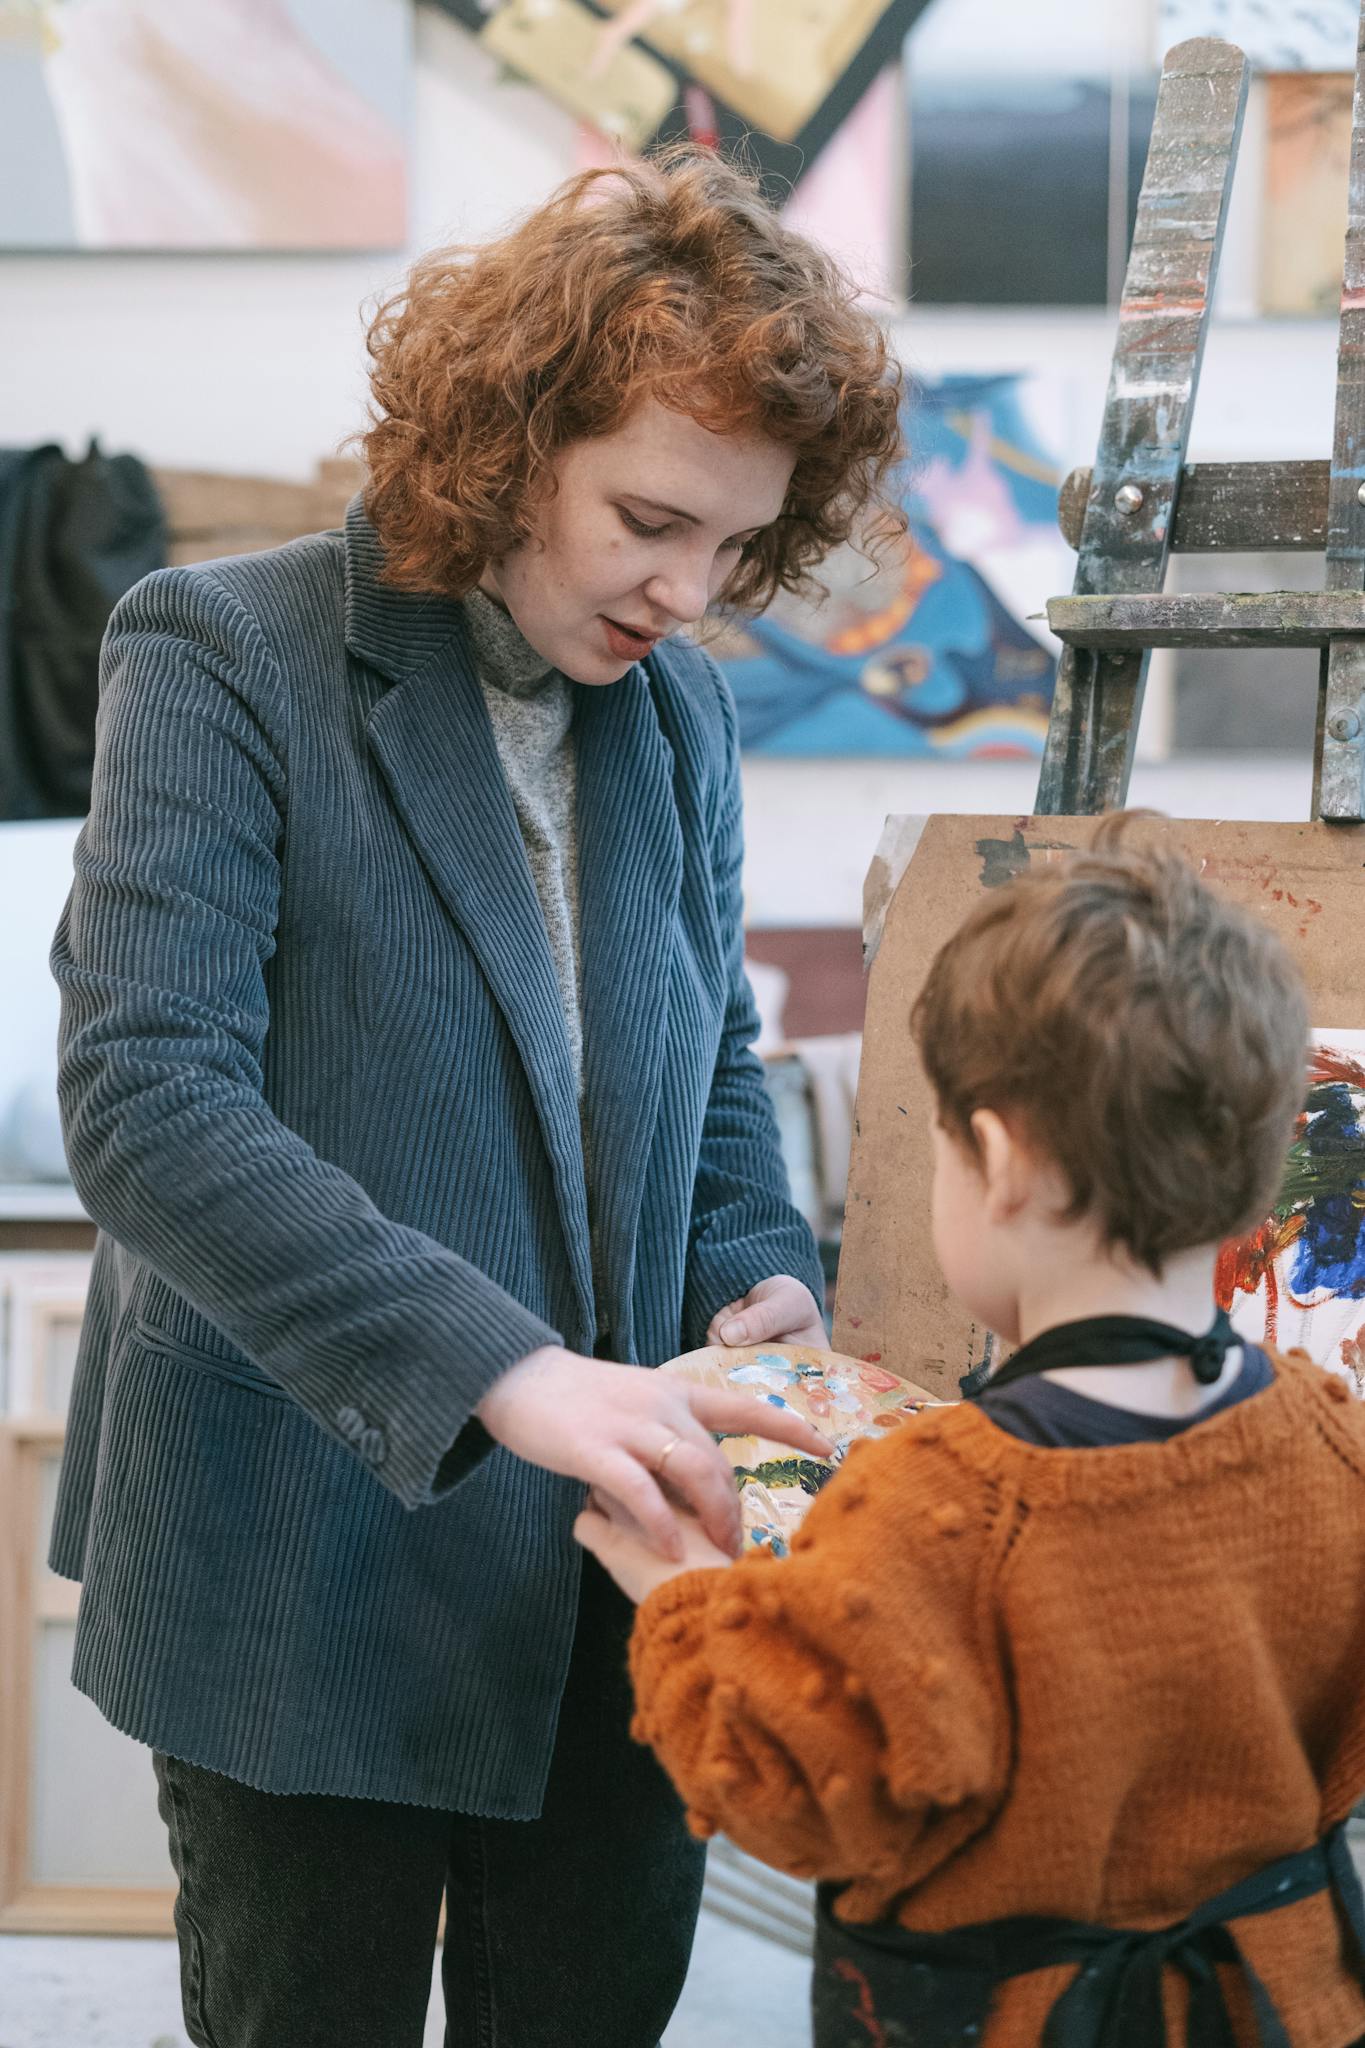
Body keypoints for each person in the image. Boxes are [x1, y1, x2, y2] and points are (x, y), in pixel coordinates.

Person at [46, 149, 902, 2048]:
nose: (690, 592)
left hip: (613, 1563)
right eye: (649, 521)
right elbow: (147, 1104)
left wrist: (759, 1271)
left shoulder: (675, 711)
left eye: (737, 546)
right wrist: (510, 1372)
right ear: (508, 442)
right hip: (303, 1544)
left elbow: (711, 1069)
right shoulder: (224, 648)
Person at [578, 818, 1365, 2048]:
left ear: (993, 1158)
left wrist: (682, 1599)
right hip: (1274, 2006)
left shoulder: (937, 1500)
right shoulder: (1332, 1445)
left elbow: (802, 1797)